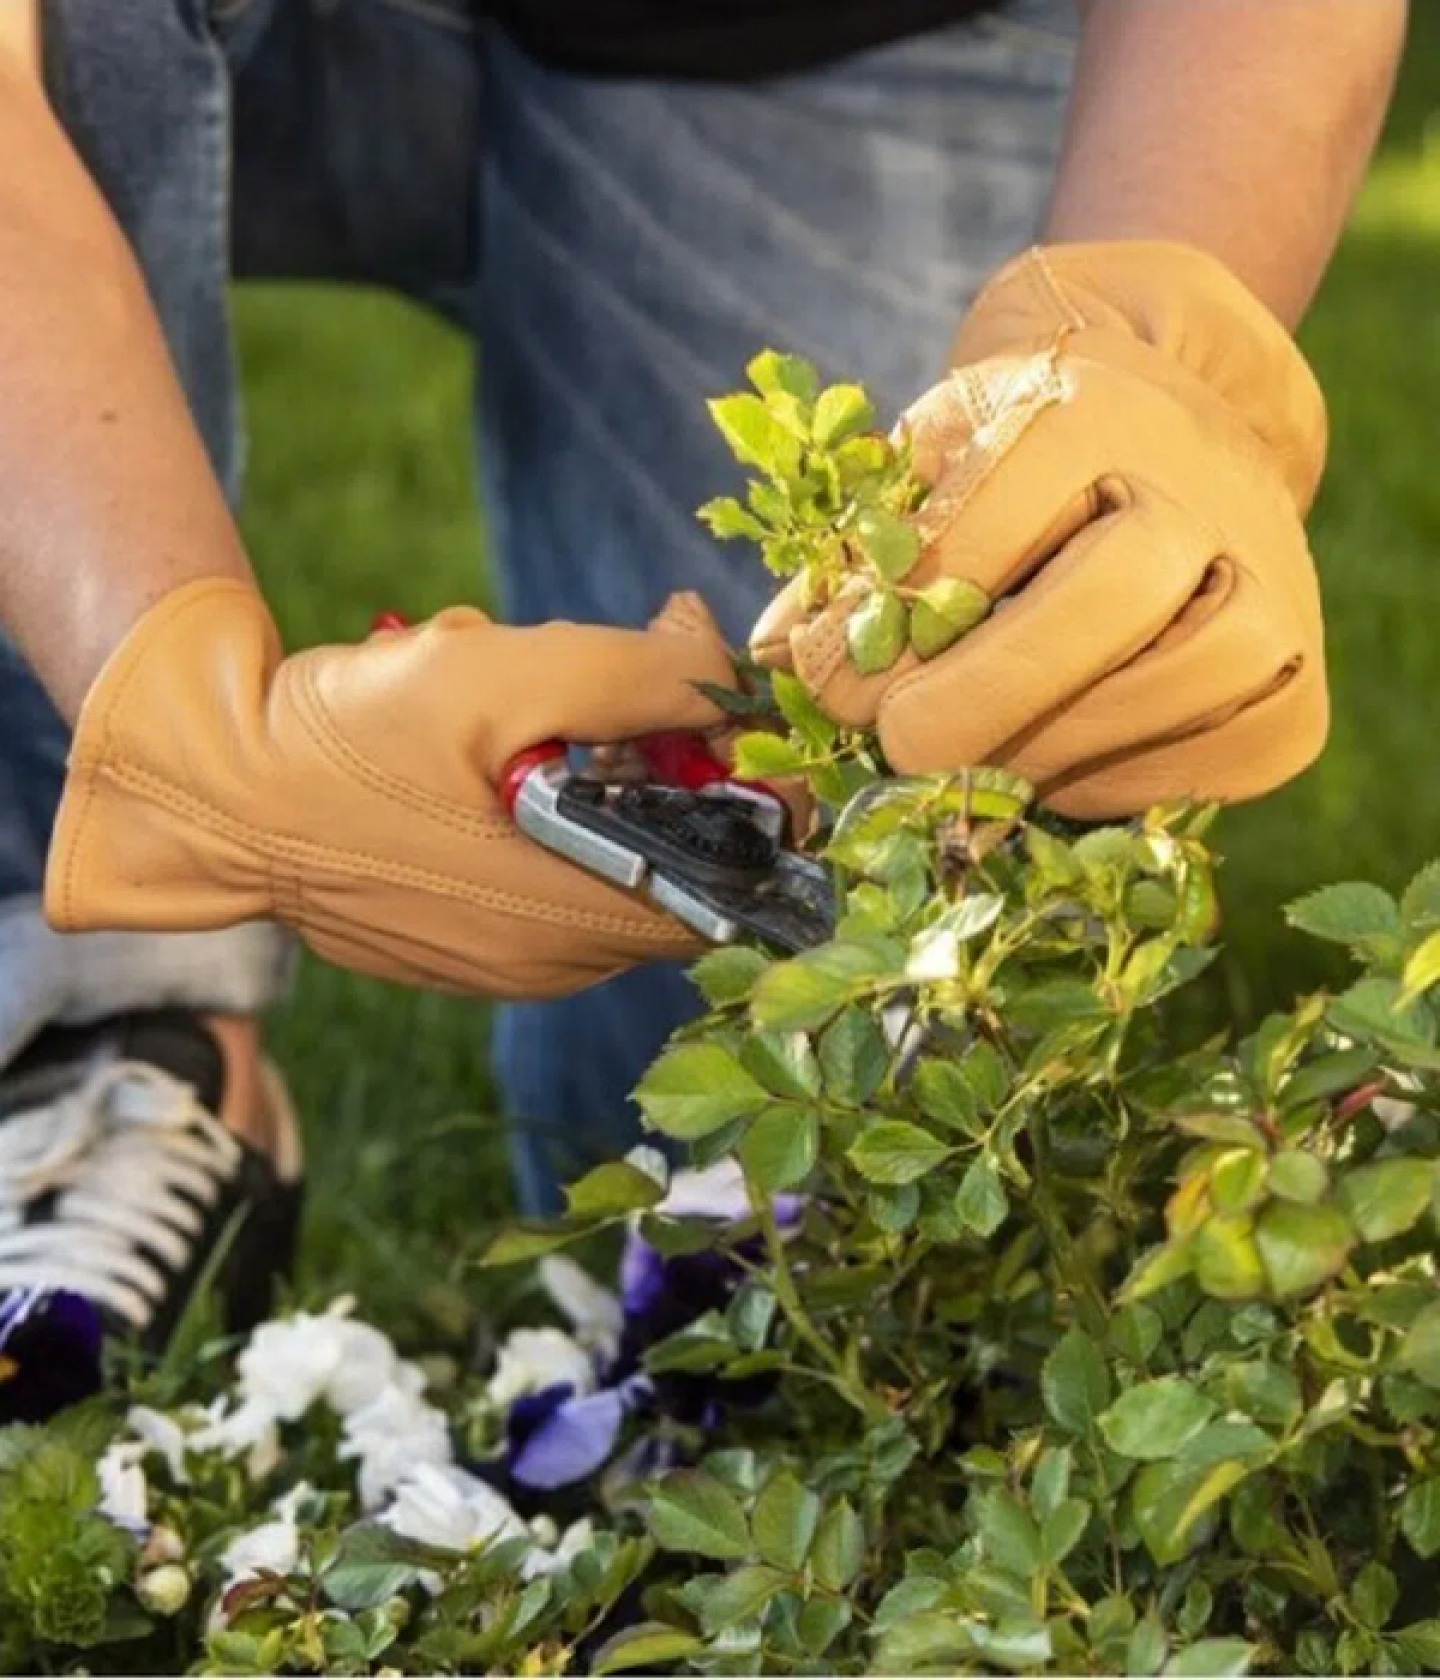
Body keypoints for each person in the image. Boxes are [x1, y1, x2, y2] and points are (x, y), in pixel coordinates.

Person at [0, 0, 1407, 1366]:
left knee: (795, 1059)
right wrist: (176, 700)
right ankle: (112, 1032)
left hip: (828, 38)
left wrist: (1162, 349)